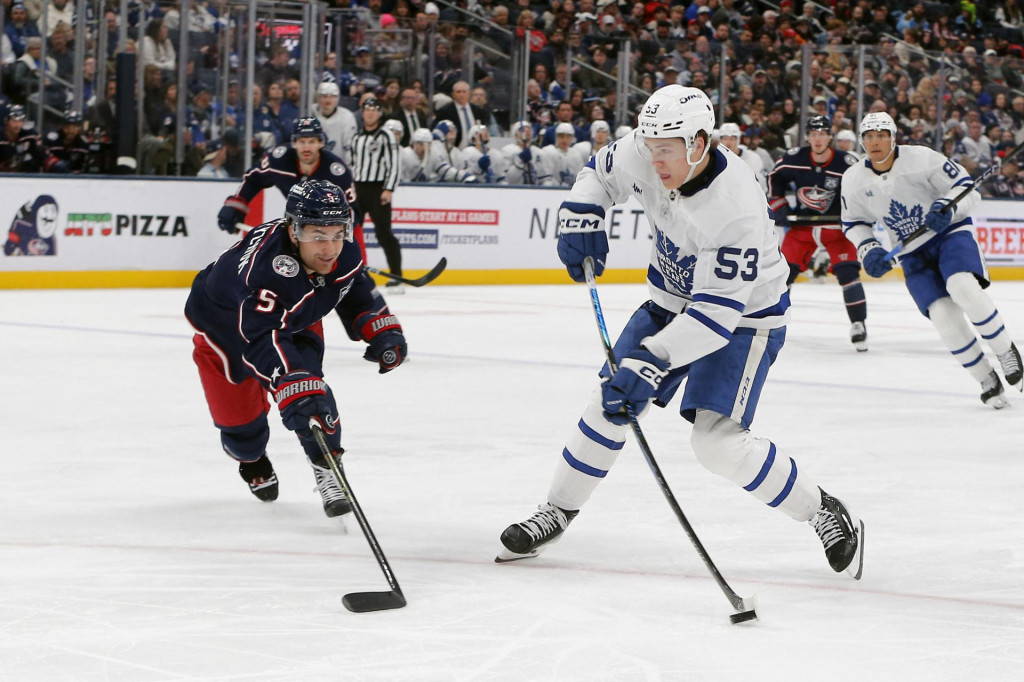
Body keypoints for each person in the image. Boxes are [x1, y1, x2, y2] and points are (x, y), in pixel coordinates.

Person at [496, 85, 865, 583]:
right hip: (669, 302)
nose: (654, 158)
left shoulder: (734, 204)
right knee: (607, 403)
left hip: (744, 320)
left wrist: (651, 361)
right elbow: (598, 177)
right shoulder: (650, 146)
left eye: (665, 149)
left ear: (698, 142)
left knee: (716, 445)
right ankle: (557, 511)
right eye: (649, 146)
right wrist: (582, 211)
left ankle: (822, 510)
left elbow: (715, 317)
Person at [186, 180, 407, 514]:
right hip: (224, 332)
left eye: (337, 234)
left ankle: (326, 466)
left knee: (310, 395)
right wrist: (287, 378)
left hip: (294, 318)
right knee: (242, 434)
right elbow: (259, 337)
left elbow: (354, 283)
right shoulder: (265, 273)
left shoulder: (342, 251)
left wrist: (379, 327)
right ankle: (252, 458)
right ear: (293, 231)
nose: (329, 248)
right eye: (317, 235)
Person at [841, 112, 1022, 408]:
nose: (875, 142)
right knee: (941, 315)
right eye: (869, 136)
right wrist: (868, 248)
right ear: (862, 141)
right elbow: (853, 222)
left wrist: (947, 208)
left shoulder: (922, 158)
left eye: (882, 135)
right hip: (910, 251)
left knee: (962, 286)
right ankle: (985, 377)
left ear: (893, 136)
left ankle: (1005, 351)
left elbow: (967, 188)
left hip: (950, 234)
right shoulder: (854, 180)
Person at [767, 116, 869, 351]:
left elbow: (863, 185)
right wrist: (780, 205)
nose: (818, 138)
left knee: (847, 273)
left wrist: (853, 211)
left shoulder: (847, 161)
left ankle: (859, 325)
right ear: (808, 137)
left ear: (830, 137)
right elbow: (774, 177)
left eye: (822, 133)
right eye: (813, 134)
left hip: (836, 229)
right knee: (783, 274)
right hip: (802, 228)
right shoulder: (795, 157)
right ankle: (772, 321)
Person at [216, 117, 355, 238]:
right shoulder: (279, 160)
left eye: (312, 141)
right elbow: (254, 178)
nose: (306, 148)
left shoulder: (336, 172)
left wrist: (338, 235)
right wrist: (236, 206)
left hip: (330, 227)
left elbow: (352, 209)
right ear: (294, 143)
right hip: (296, 221)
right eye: (301, 141)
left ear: (321, 143)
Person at [351, 96, 402, 290]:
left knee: (384, 233)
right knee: (352, 233)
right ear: (362, 112)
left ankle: (396, 274)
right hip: (358, 188)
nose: (370, 112)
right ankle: (352, 272)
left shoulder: (386, 135)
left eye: (374, 109)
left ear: (379, 113)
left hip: (378, 188)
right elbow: (353, 164)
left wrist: (388, 188)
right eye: (367, 109)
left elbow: (394, 164)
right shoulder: (356, 137)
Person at [313, 81, 358, 164]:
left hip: (337, 164)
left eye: (332, 96)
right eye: (324, 96)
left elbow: (349, 147)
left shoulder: (347, 117)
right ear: (318, 97)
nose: (328, 100)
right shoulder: (310, 112)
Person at [717, 122, 766, 191]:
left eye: (732, 139)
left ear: (738, 140)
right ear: (720, 140)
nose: (728, 142)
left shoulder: (752, 158)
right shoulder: (715, 159)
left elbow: (761, 183)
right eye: (725, 138)